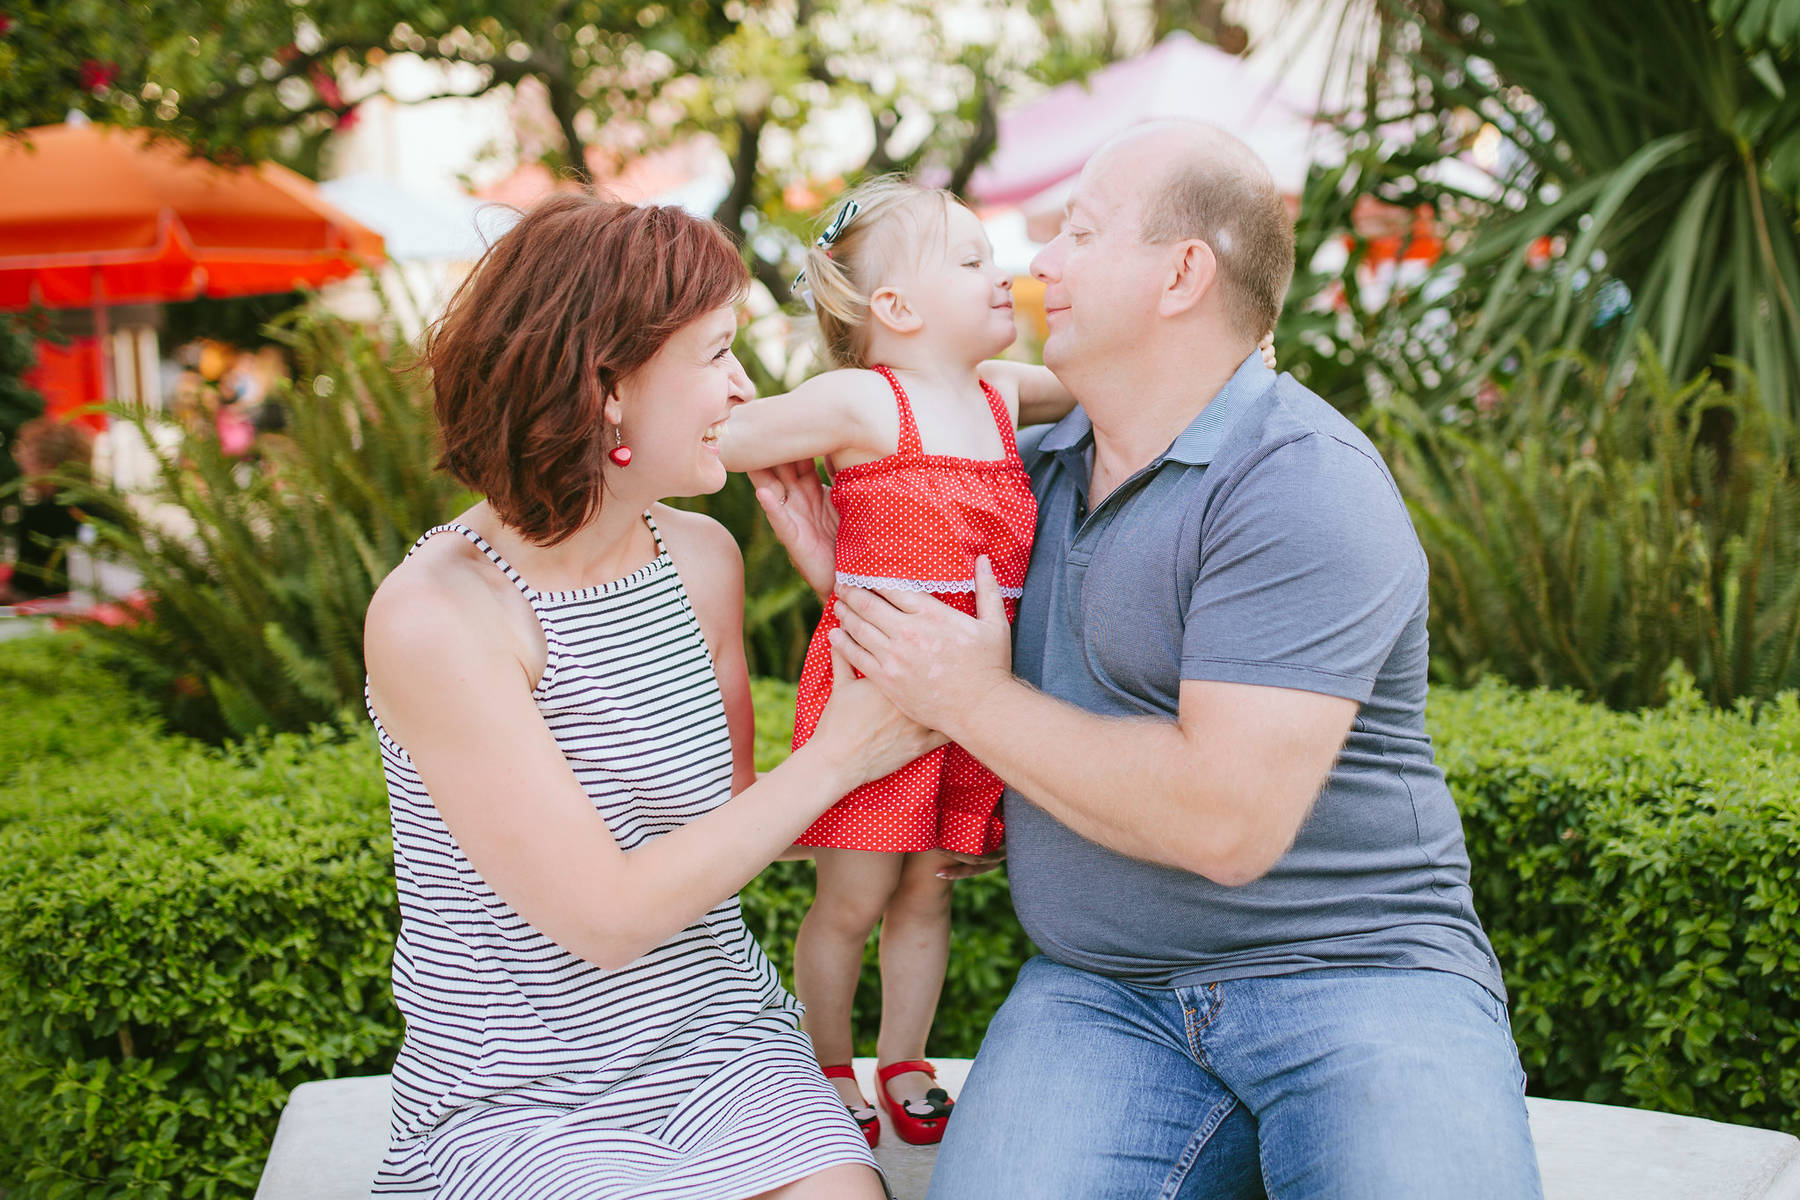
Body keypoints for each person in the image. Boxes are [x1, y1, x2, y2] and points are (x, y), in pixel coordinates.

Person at [757, 121, 1544, 1199]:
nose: (1040, 264)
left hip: (1361, 983)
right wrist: (842, 579)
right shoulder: (1014, 471)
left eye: (1079, 233)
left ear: (1182, 274)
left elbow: (1221, 821)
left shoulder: (1303, 483)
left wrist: (975, 697)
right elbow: (944, 653)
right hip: (1101, 995)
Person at [361, 193, 939, 1200]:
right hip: (519, 1092)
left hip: (717, 1042)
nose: (744, 387)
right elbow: (608, 916)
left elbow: (735, 826)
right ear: (607, 388)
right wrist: (840, 757)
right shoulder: (439, 617)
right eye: (716, 354)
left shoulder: (702, 558)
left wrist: (838, 589)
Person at [715, 176, 1079, 1148]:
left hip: (972, 697)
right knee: (854, 897)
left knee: (929, 891)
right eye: (971, 260)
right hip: (875, 697)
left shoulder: (1002, 395)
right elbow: (725, 438)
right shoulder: (866, 402)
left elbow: (1097, 377)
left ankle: (905, 1057)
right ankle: (826, 1065)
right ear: (897, 309)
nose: (1000, 274)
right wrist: (716, 382)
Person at [1, 416, 94, 606]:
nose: (23, 470)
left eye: (27, 461)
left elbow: (24, 587)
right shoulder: (106, 507)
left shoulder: (39, 516)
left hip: (48, 621)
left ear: (48, 466)